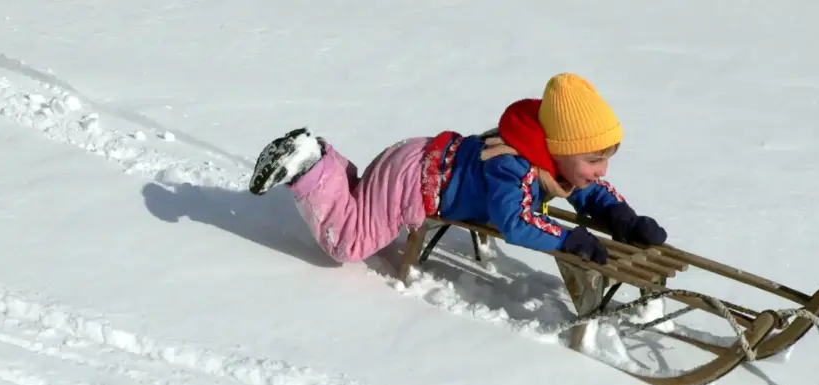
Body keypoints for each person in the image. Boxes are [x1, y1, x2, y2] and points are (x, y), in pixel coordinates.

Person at [247, 72, 667, 266]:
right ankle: (309, 165)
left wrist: (622, 217)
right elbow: (515, 221)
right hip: (413, 181)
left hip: (422, 159)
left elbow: (587, 188)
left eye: (605, 159)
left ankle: (326, 164)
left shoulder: (553, 160)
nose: (601, 170)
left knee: (360, 205)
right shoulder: (512, 165)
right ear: (559, 150)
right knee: (350, 243)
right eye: (594, 160)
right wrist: (568, 237)